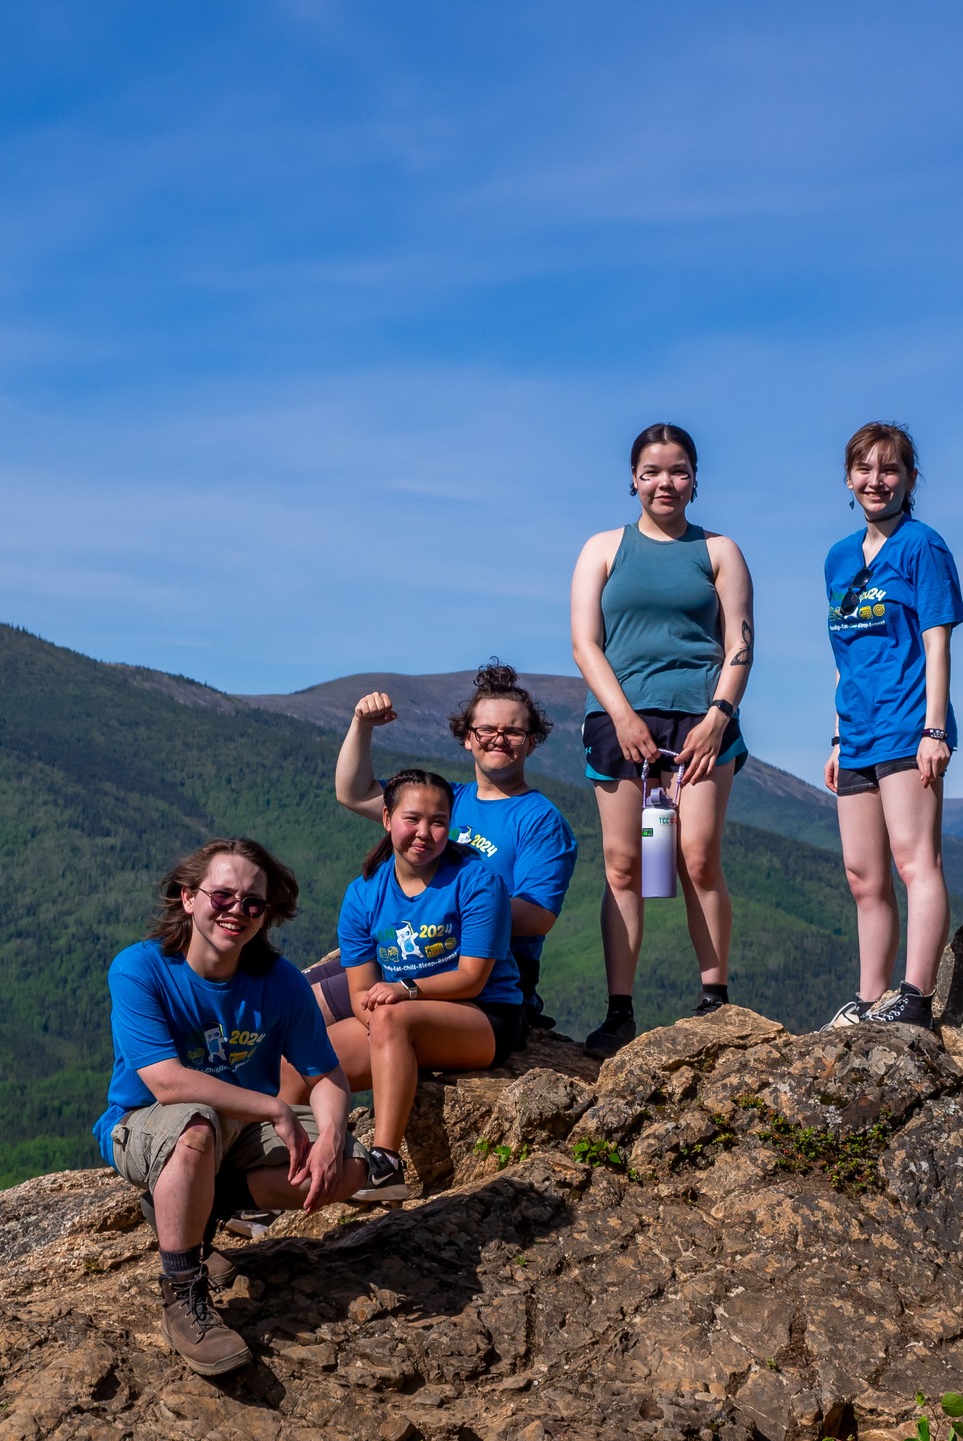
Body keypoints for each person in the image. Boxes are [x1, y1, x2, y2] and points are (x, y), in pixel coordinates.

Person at [95, 837, 368, 1377]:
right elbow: (168, 1083)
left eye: (252, 903)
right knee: (195, 1128)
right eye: (222, 896)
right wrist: (274, 1108)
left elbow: (327, 1075)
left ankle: (201, 1200)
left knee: (352, 1168)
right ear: (188, 897)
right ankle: (183, 1293)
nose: (236, 911)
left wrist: (332, 1136)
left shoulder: (279, 982)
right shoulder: (140, 969)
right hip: (146, 1123)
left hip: (237, 1130)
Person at [570, 422, 756, 1059]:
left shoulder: (720, 551)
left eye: (677, 471)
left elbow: (740, 644)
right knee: (625, 864)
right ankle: (619, 1011)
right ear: (632, 479)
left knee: (697, 856)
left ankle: (714, 999)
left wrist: (718, 716)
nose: (664, 483)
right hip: (620, 721)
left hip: (702, 722)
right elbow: (585, 644)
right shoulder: (601, 549)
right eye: (651, 472)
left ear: (696, 477)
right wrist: (621, 715)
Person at [312, 661, 578, 1031]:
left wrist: (441, 916)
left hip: (479, 972)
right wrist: (362, 725)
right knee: (289, 996)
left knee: (310, 1012)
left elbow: (539, 917)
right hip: (410, 952)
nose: (498, 739)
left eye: (514, 732)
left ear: (531, 743)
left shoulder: (539, 819)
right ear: (467, 737)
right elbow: (354, 793)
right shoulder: (444, 799)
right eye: (486, 729)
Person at [822, 421, 963, 1029]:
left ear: (910, 479)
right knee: (863, 874)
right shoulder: (837, 558)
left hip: (910, 727)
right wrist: (835, 734)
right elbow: (844, 658)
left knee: (914, 864)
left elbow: (937, 644)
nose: (875, 481)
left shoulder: (922, 546)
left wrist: (934, 730)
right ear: (849, 478)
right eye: (865, 469)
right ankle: (869, 997)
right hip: (856, 732)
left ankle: (914, 996)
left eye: (889, 469)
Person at [324, 768, 526, 1201]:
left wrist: (406, 992)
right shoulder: (363, 893)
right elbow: (361, 992)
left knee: (393, 1018)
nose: (424, 833)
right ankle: (292, 1163)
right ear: (386, 819)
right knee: (297, 1063)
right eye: (411, 819)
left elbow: (472, 978)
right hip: (401, 1017)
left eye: (438, 822)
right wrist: (380, 1026)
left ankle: (385, 1165)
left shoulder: (477, 881)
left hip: (486, 1016)